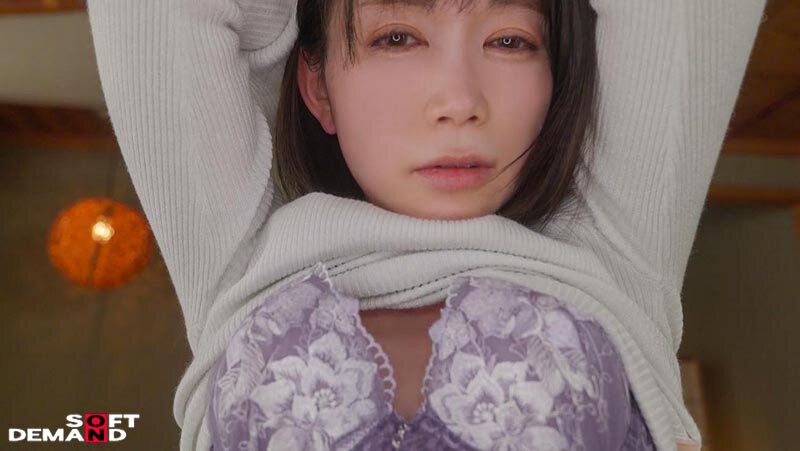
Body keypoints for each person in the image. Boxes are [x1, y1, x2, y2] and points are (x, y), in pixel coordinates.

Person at [85, 0, 766, 449]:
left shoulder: (613, 256)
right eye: (398, 37)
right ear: (319, 87)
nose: (460, 100)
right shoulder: (242, 268)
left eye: (510, 40)